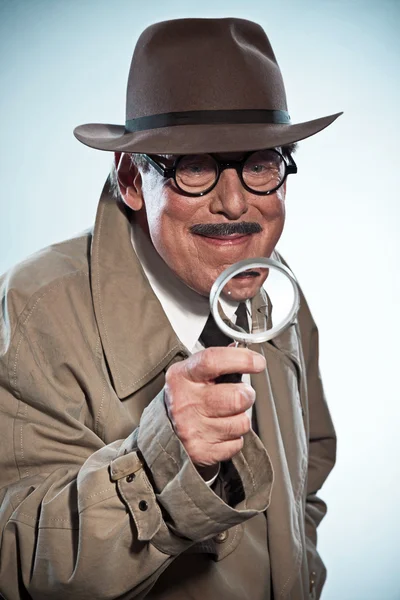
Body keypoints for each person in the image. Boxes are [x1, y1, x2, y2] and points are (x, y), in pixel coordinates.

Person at [0, 17, 340, 600]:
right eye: (196, 166)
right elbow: (17, 561)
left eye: (261, 163)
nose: (235, 204)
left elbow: (306, 474)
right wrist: (160, 458)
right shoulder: (36, 310)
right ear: (132, 178)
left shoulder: (275, 287)